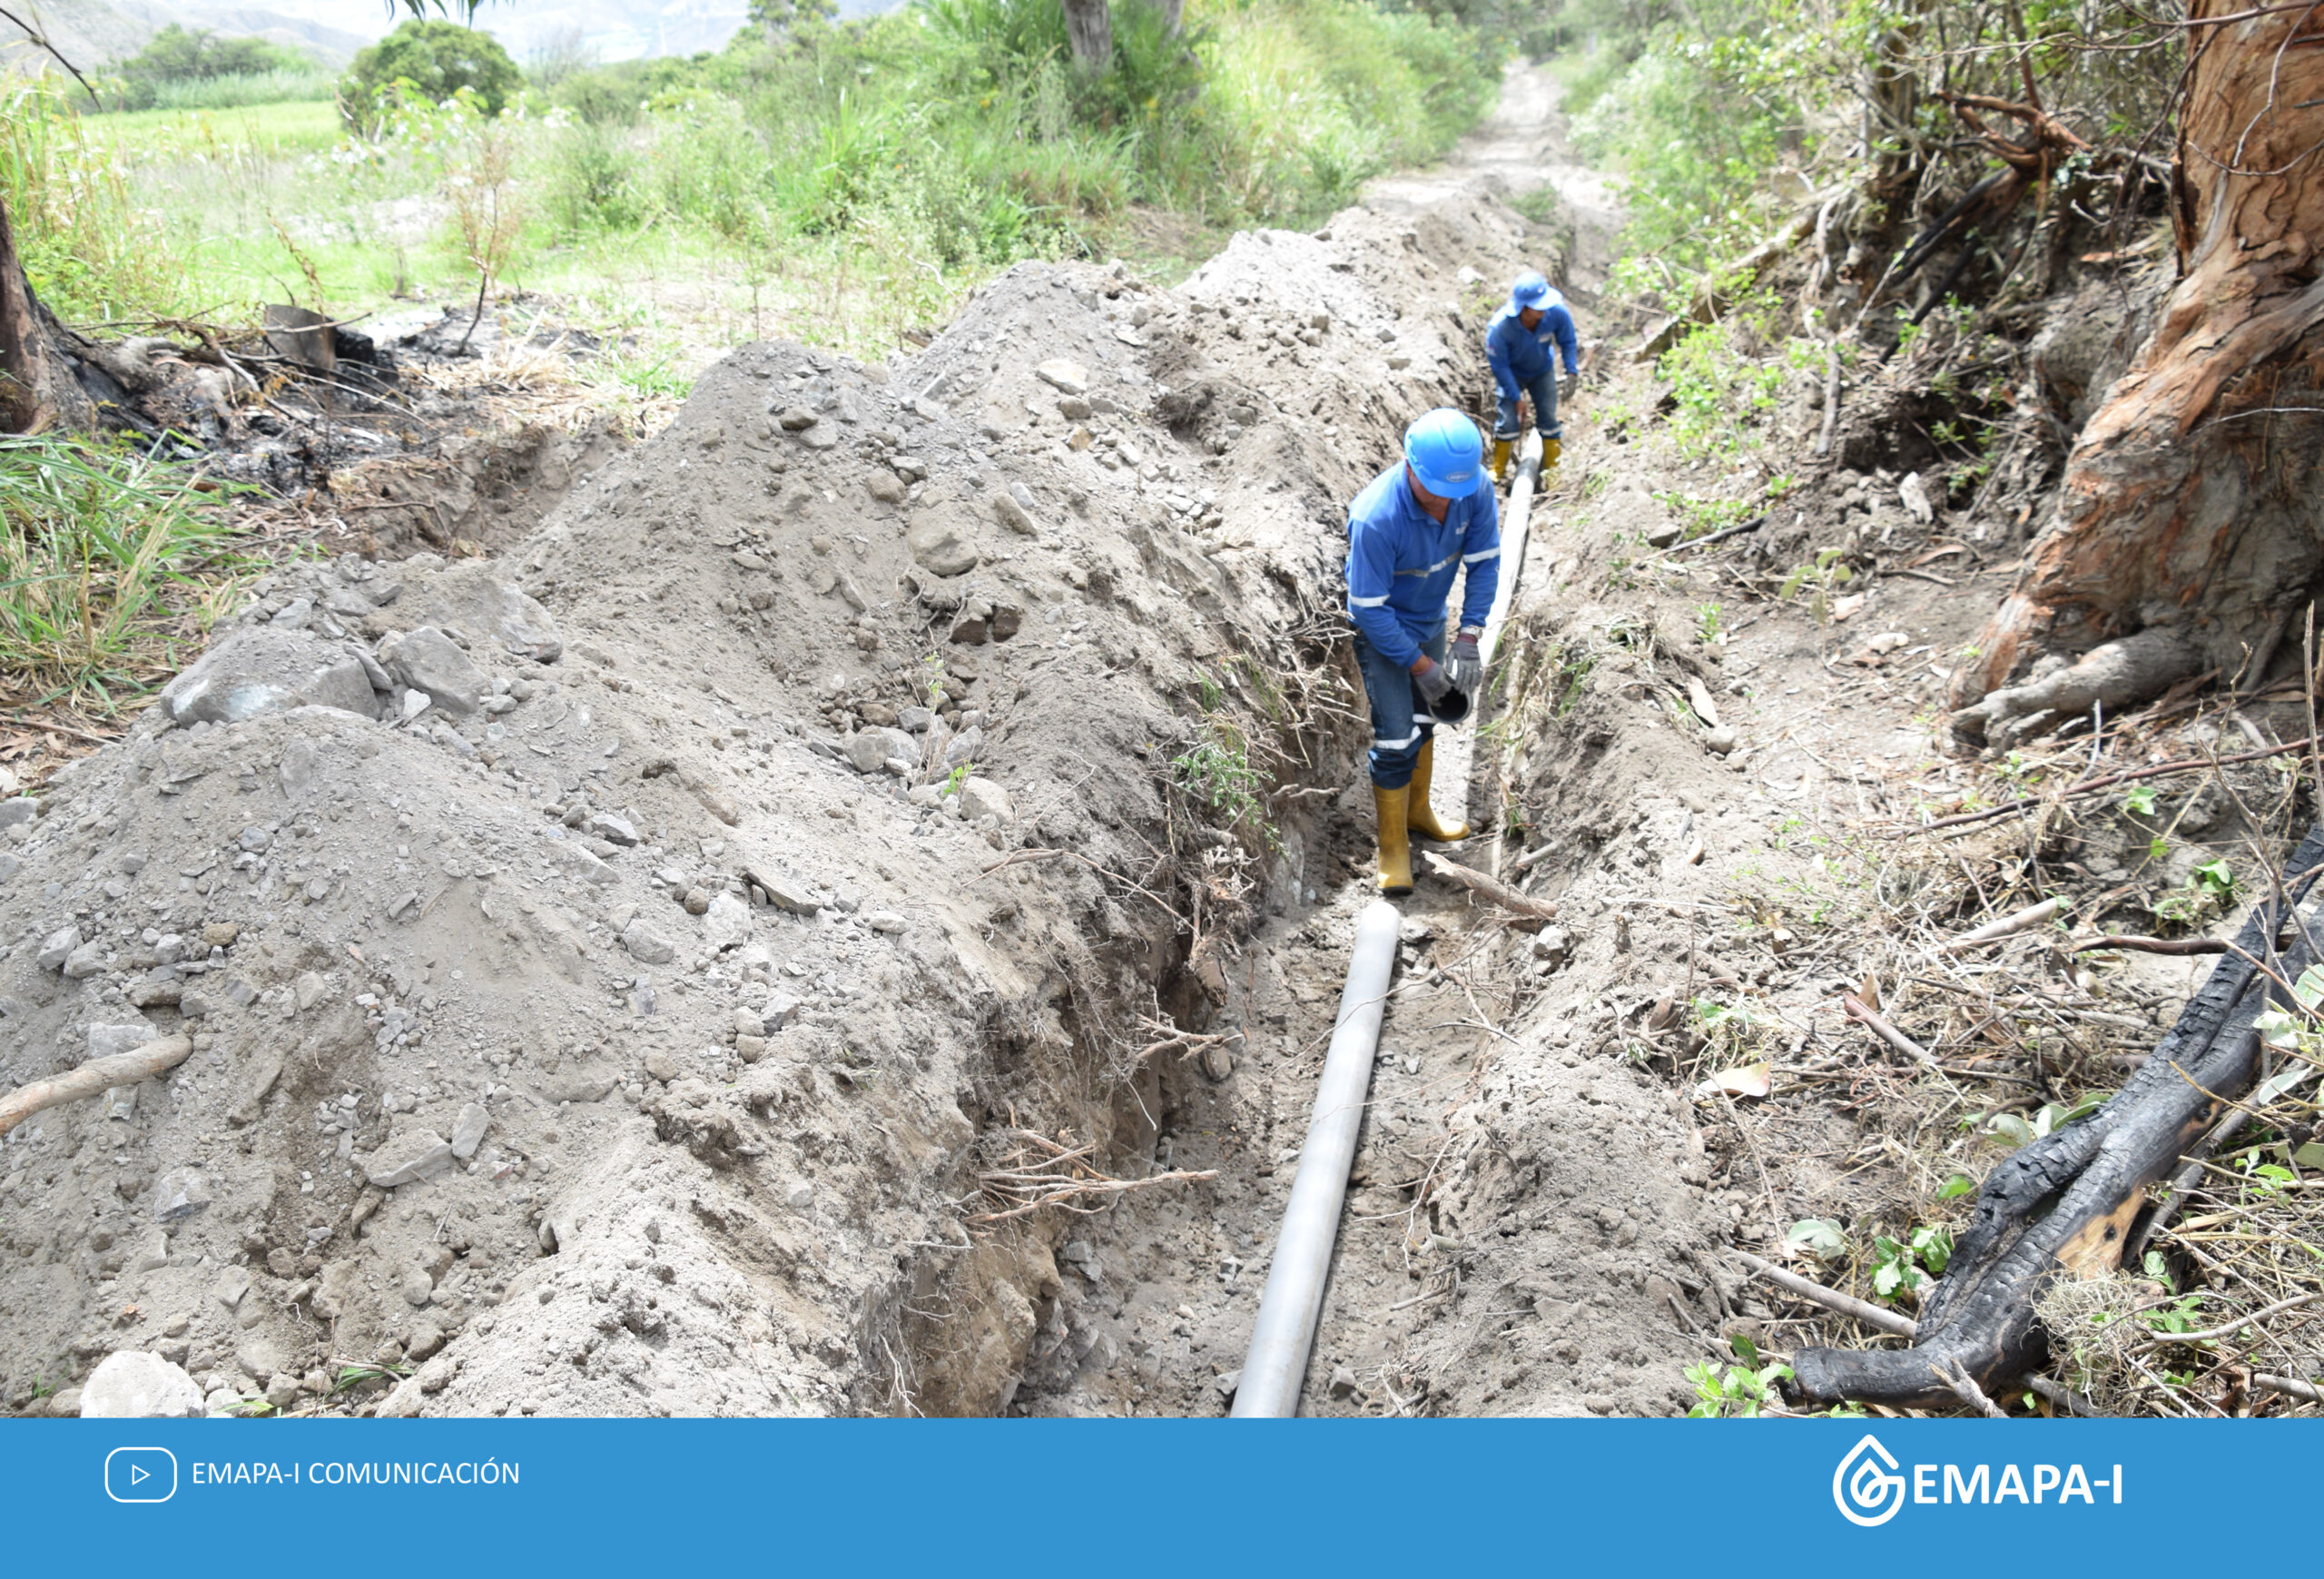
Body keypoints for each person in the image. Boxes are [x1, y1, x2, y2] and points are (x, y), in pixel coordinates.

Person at [1344, 409, 1500, 896]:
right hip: (1384, 630)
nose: (1448, 503)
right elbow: (1368, 610)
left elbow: (1486, 563)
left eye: (1457, 493)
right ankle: (1392, 846)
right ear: (1410, 466)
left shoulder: (1472, 489)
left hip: (1430, 621)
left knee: (1427, 722)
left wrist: (1470, 633)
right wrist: (1422, 666)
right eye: (1437, 491)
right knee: (1395, 736)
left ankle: (1419, 813)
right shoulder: (1375, 518)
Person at [1485, 271, 1580, 483]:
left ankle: (1552, 473)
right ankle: (1498, 469)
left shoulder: (1556, 313)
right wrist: (1516, 397)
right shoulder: (1500, 328)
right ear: (1525, 309)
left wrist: (1571, 370)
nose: (1545, 309)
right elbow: (1499, 365)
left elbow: (1568, 341)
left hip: (1541, 371)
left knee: (1548, 419)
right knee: (1508, 421)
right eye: (1539, 306)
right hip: (1511, 374)